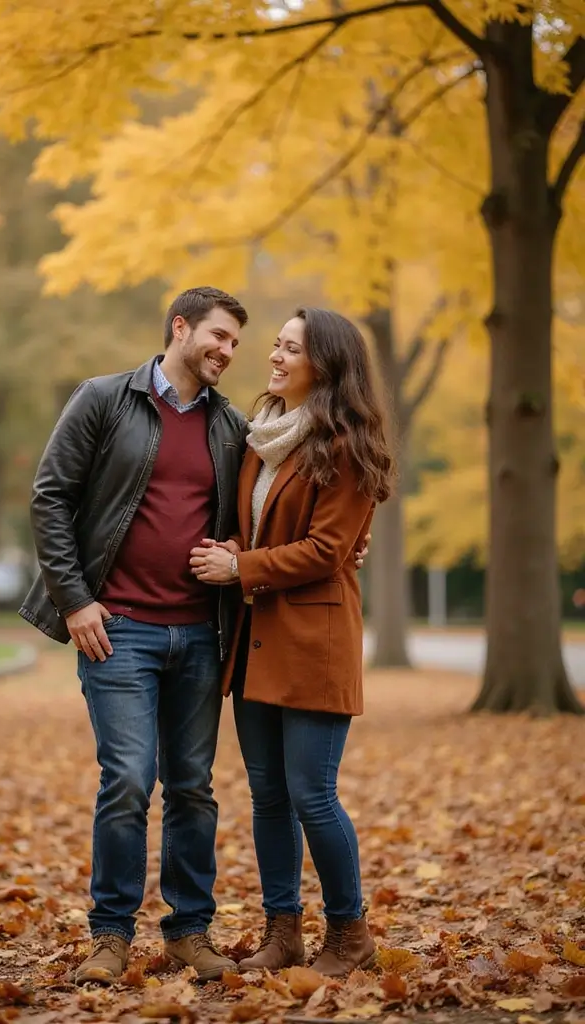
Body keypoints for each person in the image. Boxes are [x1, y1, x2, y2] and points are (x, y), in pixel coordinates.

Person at [20, 287, 370, 985]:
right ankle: (111, 936)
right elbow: (50, 496)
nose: (232, 351)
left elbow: (293, 521)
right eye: (219, 336)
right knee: (127, 781)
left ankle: (190, 932)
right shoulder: (105, 400)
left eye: (242, 342)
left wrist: (338, 547)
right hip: (117, 630)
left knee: (195, 789)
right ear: (179, 328)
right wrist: (76, 601)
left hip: (205, 638)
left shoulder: (231, 425)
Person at [190, 307, 393, 978]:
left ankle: (349, 935)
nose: (274, 357)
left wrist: (241, 567)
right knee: (268, 794)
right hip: (254, 641)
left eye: (290, 349)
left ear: (326, 365)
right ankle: (285, 933)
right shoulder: (260, 437)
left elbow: (329, 549)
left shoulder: (350, 446)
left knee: (313, 794)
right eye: (274, 345)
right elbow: (258, 529)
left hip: (314, 641)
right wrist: (234, 550)